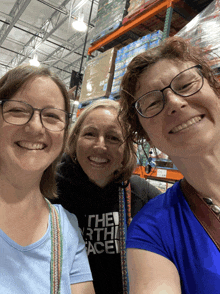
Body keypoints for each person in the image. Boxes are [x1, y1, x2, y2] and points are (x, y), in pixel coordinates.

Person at [119, 36, 220, 293]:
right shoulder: (151, 231)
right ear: (144, 134)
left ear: (215, 90)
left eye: (187, 85)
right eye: (152, 103)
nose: (175, 103)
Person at [0, 64, 95, 294]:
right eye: (18, 111)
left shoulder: (66, 230)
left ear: (64, 135)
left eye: (52, 116)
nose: (35, 126)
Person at [53, 99, 161, 294]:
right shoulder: (50, 192)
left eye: (113, 138)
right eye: (90, 134)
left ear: (127, 147)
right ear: (75, 138)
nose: (100, 146)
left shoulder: (143, 197)